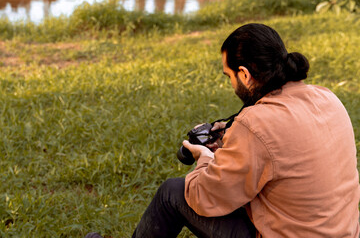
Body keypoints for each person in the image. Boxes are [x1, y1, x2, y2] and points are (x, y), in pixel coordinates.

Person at [86, 23, 360, 238]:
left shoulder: (256, 123)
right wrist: (232, 148)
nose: (231, 83)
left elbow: (208, 196)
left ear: (244, 74)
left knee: (172, 192)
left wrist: (205, 158)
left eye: (228, 76)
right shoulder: (328, 98)